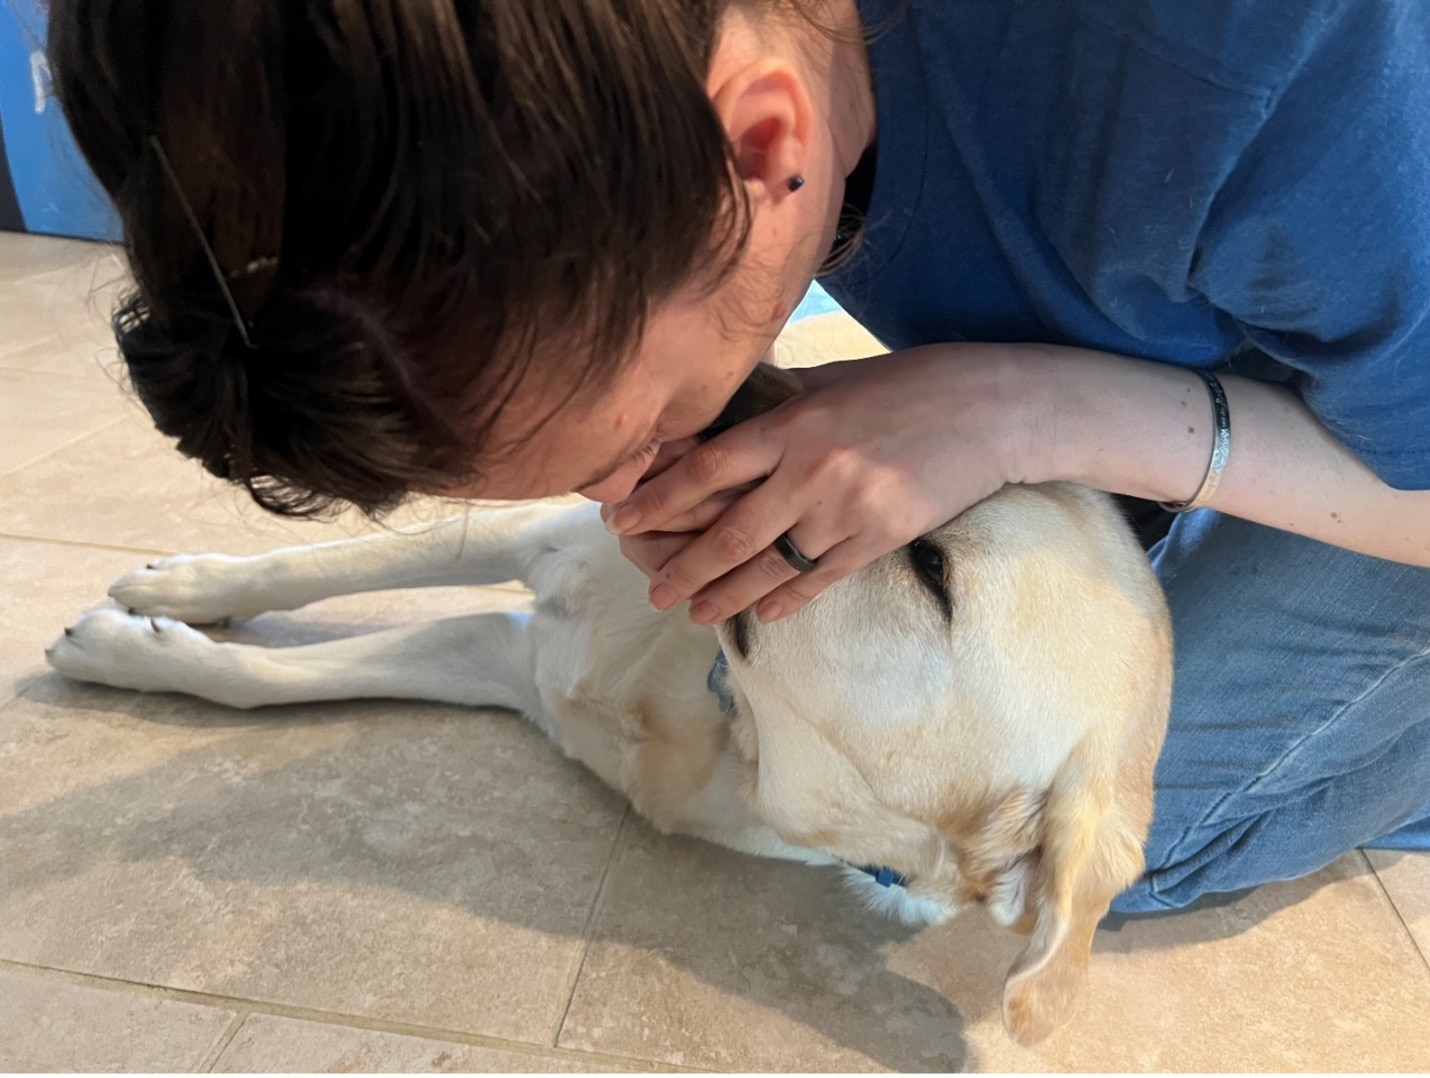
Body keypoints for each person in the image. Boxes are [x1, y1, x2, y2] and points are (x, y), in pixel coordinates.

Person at [49, 0, 1429, 913]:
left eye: (637, 430)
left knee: (1055, 843)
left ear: (760, 145)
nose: (629, 500)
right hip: (1316, 294)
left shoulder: (1272, 56)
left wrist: (1027, 408)